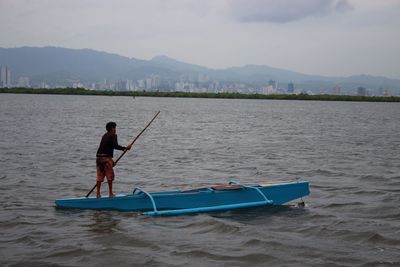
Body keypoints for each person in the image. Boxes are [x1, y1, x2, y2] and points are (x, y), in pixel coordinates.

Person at [96, 122, 132, 198]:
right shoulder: (113, 135)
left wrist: (111, 161)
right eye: (115, 128)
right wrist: (126, 148)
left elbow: (105, 148)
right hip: (106, 158)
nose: (115, 129)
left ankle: (98, 193)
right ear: (112, 128)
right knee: (110, 176)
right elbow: (115, 146)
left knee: (99, 176)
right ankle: (110, 193)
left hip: (99, 158)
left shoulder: (104, 135)